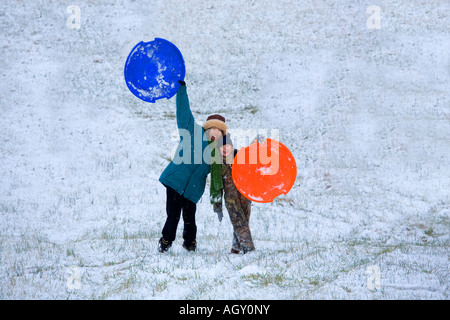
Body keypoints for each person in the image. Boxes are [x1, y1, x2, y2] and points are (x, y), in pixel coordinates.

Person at [158, 80, 228, 253]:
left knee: (190, 217)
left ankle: (190, 243)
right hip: (176, 180)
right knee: (173, 215)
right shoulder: (192, 131)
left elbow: (228, 164)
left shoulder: (217, 151)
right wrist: (181, 89)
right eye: (213, 129)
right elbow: (183, 111)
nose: (216, 133)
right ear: (207, 128)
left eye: (220, 132)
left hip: (193, 189)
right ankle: (166, 241)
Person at [212, 133, 255, 254]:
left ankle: (236, 248)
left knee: (244, 222)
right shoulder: (218, 165)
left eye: (227, 146)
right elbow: (216, 187)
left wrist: (257, 142)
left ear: (232, 146)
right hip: (231, 200)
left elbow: (252, 153)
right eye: (222, 147)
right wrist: (217, 205)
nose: (225, 149)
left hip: (245, 196)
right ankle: (249, 249)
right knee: (240, 223)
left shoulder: (241, 157)